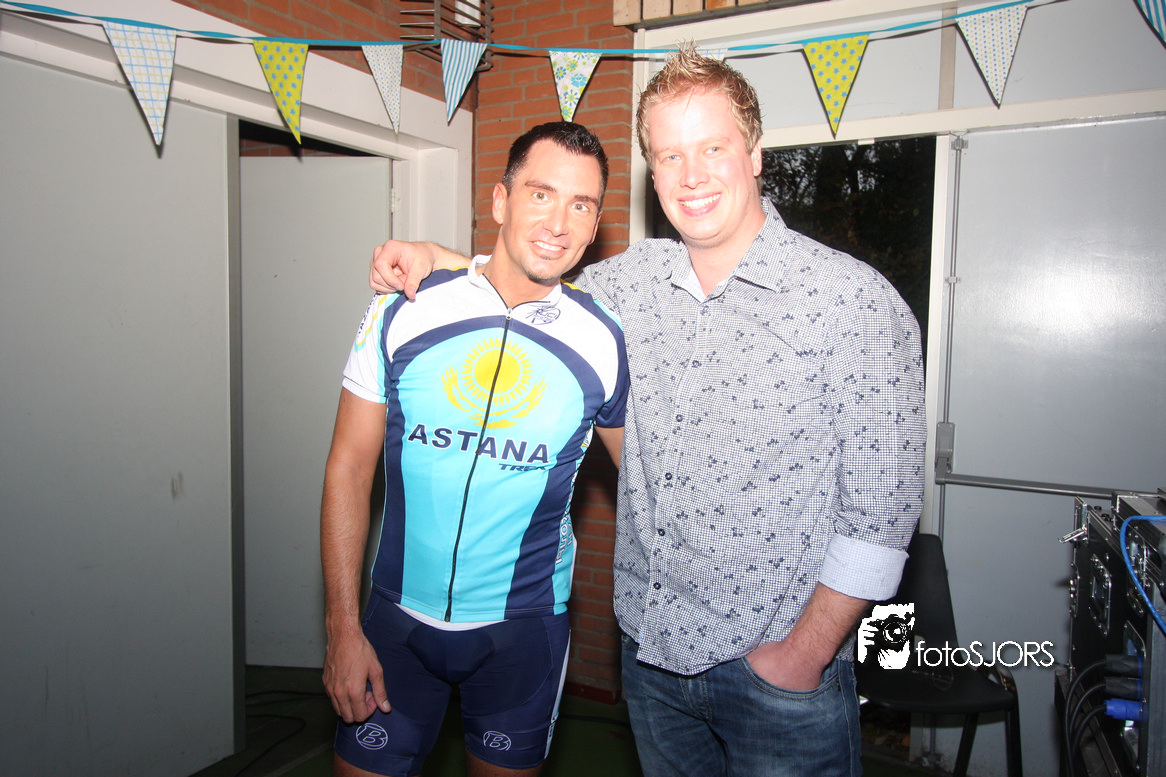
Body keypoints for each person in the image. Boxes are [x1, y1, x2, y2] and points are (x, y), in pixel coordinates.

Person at [368, 44, 925, 777]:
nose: (691, 175)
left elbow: (882, 517)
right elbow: (529, 267)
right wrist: (435, 255)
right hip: (651, 659)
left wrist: (804, 655)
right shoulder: (624, 286)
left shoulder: (853, 302)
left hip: (779, 674)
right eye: (669, 156)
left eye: (712, 148)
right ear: (652, 172)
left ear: (755, 154)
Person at [321, 121, 628, 777]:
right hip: (393, 623)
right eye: (541, 194)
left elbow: (650, 480)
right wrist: (342, 627)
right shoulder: (401, 308)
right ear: (500, 200)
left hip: (523, 634)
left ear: (596, 223)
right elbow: (348, 468)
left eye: (581, 204)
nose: (559, 222)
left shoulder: (606, 340)